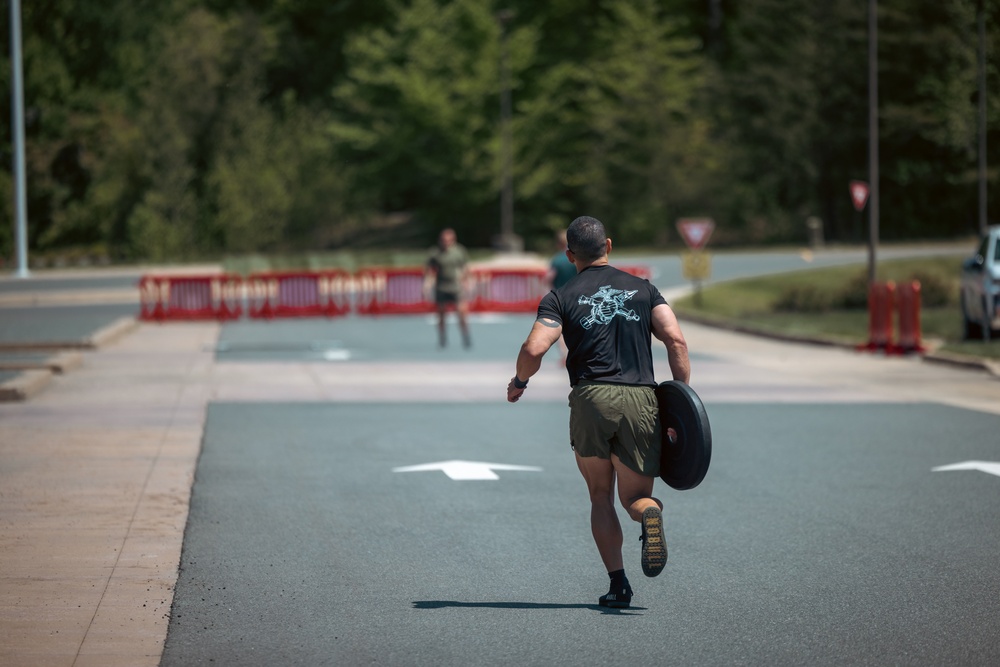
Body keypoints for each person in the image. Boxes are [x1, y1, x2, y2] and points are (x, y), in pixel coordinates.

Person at [506, 215, 691, 609]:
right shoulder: (644, 290)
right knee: (635, 497)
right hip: (643, 399)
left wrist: (520, 382)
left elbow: (534, 349)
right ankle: (647, 516)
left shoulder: (561, 295)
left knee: (600, 495)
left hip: (591, 398)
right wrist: (682, 403)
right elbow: (676, 340)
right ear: (608, 245)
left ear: (569, 253)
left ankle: (619, 585)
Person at [425, 228, 472, 348]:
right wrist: (427, 284)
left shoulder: (459, 251)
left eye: (448, 240)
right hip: (441, 287)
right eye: (443, 240)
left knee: (461, 313)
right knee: (441, 315)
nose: (445, 242)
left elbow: (465, 267)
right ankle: (442, 338)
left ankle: (466, 336)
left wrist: (467, 282)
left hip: (456, 287)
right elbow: (430, 271)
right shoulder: (435, 253)